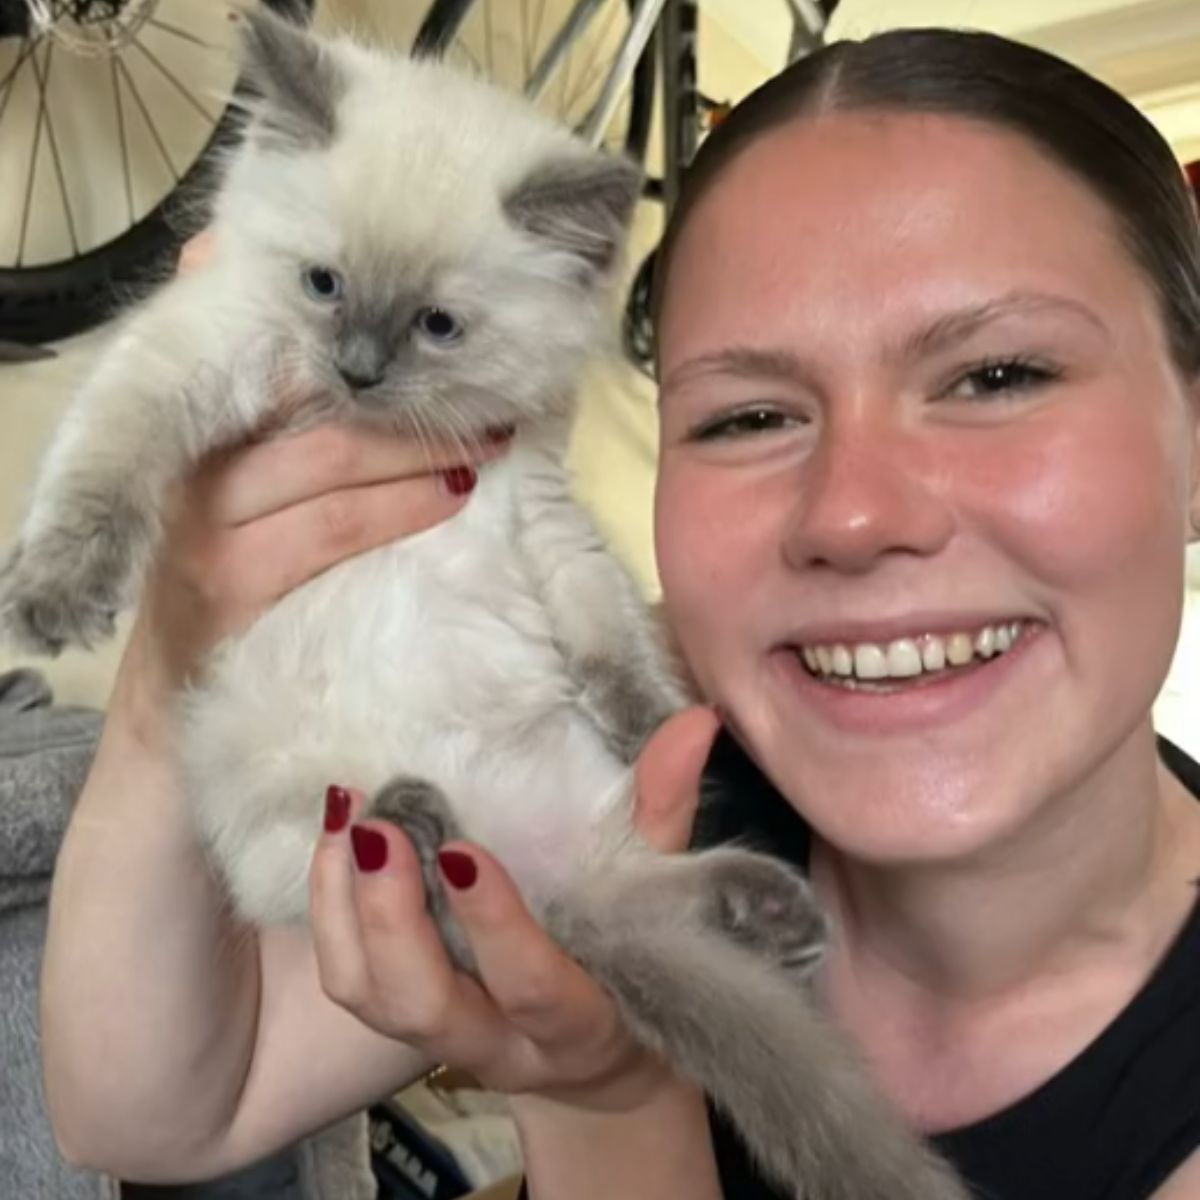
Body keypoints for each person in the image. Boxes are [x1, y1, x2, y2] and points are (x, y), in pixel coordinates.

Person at [38, 25, 1200, 1200]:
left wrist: (607, 1098)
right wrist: (170, 670)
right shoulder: (694, 746)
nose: (853, 515)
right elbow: (145, 1114)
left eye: (998, 376)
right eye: (747, 415)